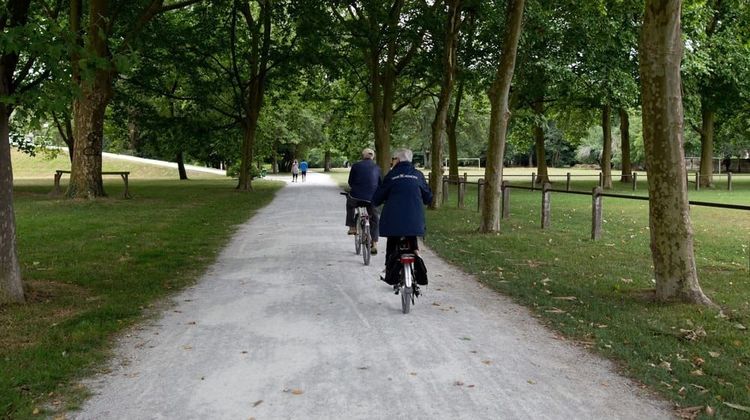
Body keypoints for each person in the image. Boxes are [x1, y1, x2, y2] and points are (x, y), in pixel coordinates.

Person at [372, 148, 432, 284]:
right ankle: (417, 260)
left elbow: (377, 198)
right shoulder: (418, 175)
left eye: (393, 159)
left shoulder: (391, 175)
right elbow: (428, 197)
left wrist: (377, 201)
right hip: (415, 221)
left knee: (392, 242)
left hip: (393, 222)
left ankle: (388, 269)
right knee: (412, 237)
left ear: (397, 160)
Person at [346, 148, 382, 254]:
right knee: (375, 218)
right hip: (372, 198)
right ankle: (374, 243)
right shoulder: (377, 168)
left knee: (350, 204)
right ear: (373, 157)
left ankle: (352, 226)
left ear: (363, 156)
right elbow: (380, 184)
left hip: (356, 197)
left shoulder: (356, 166)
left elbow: (350, 182)